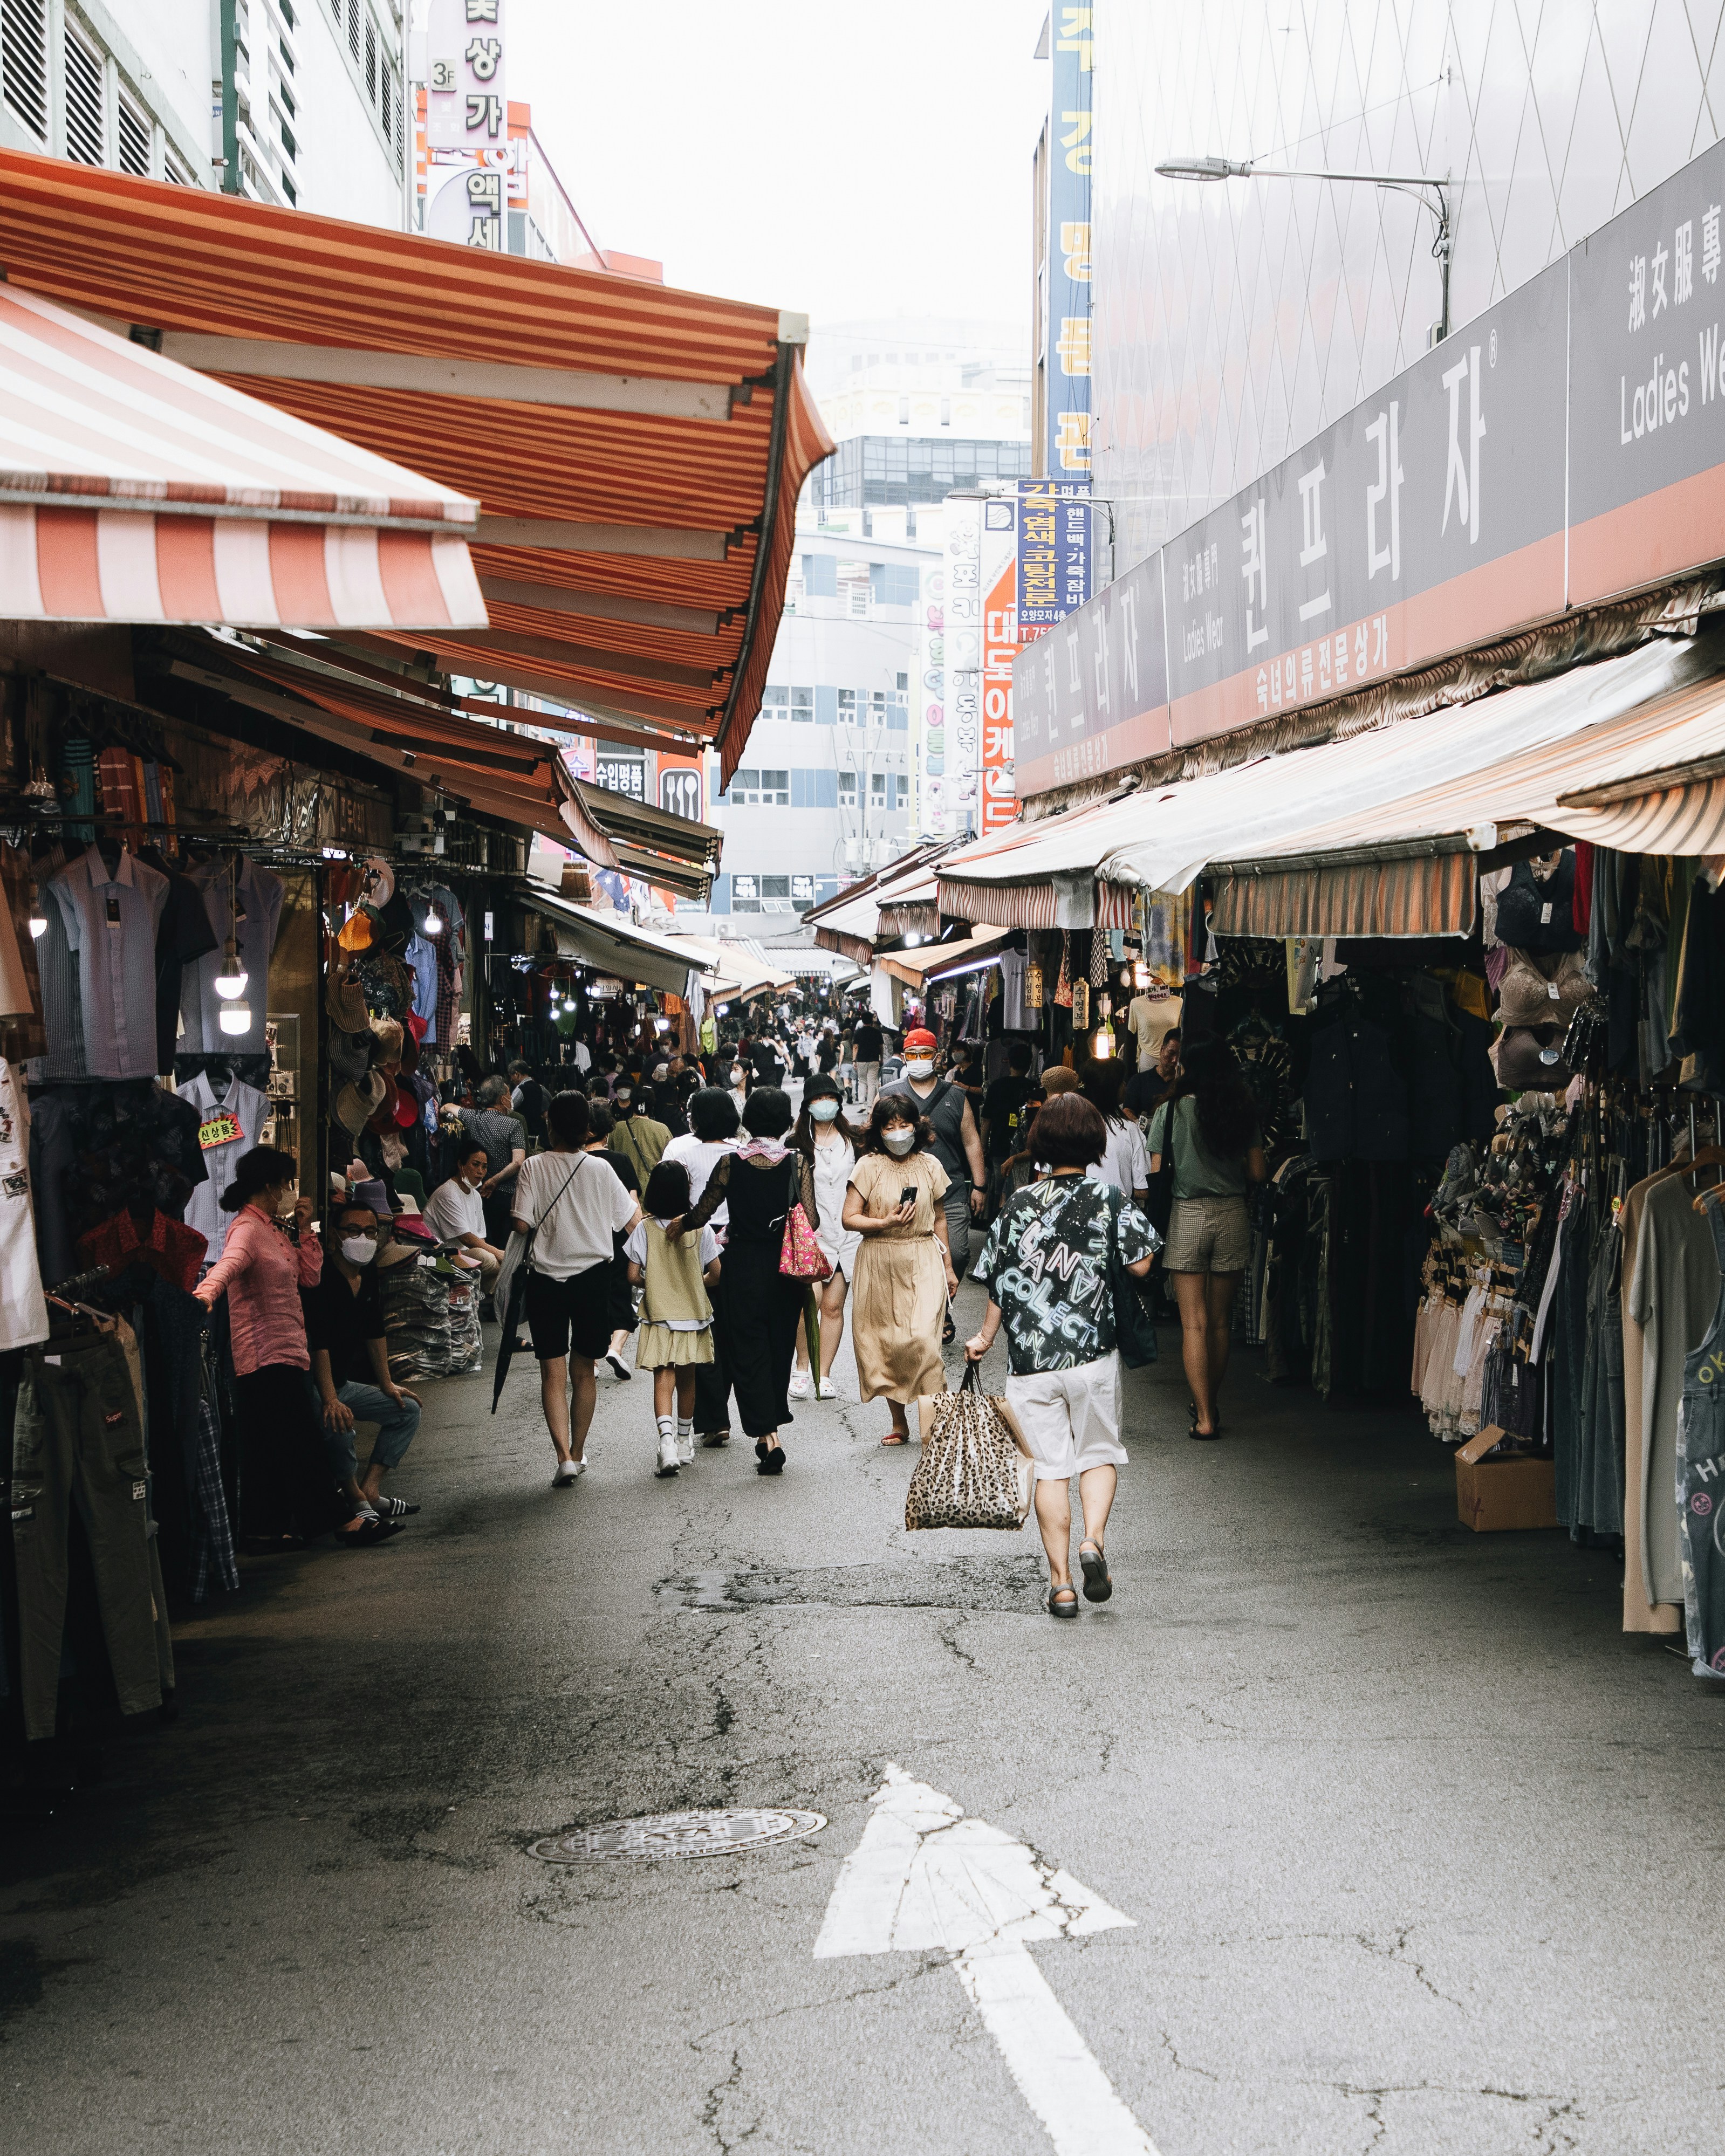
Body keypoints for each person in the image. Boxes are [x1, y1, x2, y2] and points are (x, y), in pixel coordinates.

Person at [966, 1094, 1158, 1618]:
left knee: (1050, 1470)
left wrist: (984, 1338)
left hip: (1031, 1365)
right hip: (1093, 1356)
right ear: (1095, 1142)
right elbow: (1142, 1265)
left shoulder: (1018, 1203)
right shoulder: (1109, 1198)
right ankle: (1093, 1540)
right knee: (1098, 1454)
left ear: (1040, 1143)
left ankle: (1062, 1585)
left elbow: (999, 1282)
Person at [195, 1146, 380, 1546]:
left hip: (285, 1351)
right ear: (270, 1185)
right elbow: (228, 1265)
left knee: (268, 1445)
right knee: (301, 1442)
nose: (287, 1191)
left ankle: (264, 1529)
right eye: (284, 1183)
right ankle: (336, 1521)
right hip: (264, 1353)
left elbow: (310, 1276)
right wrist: (204, 1295)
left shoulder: (274, 1230)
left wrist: (305, 1227)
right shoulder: (248, 1229)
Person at [673, 1087, 816, 1477]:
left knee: (748, 1350)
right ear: (786, 1122)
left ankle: (769, 1435)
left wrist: (675, 1226)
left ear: (747, 1122)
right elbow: (812, 1219)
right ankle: (770, 1433)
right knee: (780, 1346)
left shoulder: (730, 1162)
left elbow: (702, 1213)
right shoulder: (797, 1162)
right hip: (785, 1270)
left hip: (742, 1268)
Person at [511, 1090, 641, 1486]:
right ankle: (579, 1451)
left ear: (550, 1125)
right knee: (584, 1371)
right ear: (587, 1128)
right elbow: (632, 1222)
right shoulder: (602, 1169)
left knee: (552, 1373)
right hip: (592, 1279)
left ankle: (563, 1457)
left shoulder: (533, 1167)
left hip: (546, 1281)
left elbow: (521, 1224)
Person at [1146, 1037, 1267, 1440]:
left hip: (1187, 1216)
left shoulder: (1170, 1111)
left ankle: (1204, 1418)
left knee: (1193, 1324)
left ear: (1187, 1068)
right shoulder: (1242, 1111)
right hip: (1232, 1214)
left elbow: (1157, 1172)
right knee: (1219, 1323)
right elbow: (1257, 1173)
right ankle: (1210, 1402)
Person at [841, 1094, 959, 1444]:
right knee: (889, 1345)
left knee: (923, 1341)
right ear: (878, 1131)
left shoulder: (930, 1165)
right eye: (889, 1126)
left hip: (923, 1256)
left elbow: (940, 1218)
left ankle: (935, 1423)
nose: (897, 1132)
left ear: (916, 1126)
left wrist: (949, 1267)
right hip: (879, 1260)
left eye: (904, 1124)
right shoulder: (868, 1166)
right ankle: (899, 1422)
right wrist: (884, 1222)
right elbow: (849, 1218)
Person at [304, 1196, 423, 1526]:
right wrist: (330, 1399)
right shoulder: (320, 1277)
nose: (363, 1239)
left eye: (370, 1232)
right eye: (353, 1231)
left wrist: (387, 1383)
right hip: (315, 1386)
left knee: (407, 1410)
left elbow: (375, 1330)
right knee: (339, 1423)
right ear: (334, 1235)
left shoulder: (367, 1274)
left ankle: (371, 1490)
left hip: (342, 1383)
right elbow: (319, 1343)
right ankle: (354, 1497)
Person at [881, 1027, 987, 1329]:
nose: (918, 1060)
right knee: (909, 1259)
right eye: (912, 1055)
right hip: (903, 1195)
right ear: (904, 1058)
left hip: (950, 1191)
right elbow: (874, 1142)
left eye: (925, 1053)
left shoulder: (956, 1096)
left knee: (958, 1253)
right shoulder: (888, 1095)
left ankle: (940, 1305)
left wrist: (980, 1185)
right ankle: (928, 1316)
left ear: (937, 1056)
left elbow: (972, 1142)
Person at [625, 1160, 722, 1477]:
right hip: (693, 1315)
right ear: (686, 1191)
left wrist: (653, 1282)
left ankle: (665, 1441)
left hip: (659, 1316)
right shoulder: (701, 1229)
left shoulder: (644, 1229)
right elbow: (716, 1274)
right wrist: (697, 1282)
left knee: (662, 1378)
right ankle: (683, 1440)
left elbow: (632, 1275)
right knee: (687, 1379)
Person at [664, 1087, 743, 1445]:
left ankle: (714, 1420)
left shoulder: (681, 1152)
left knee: (703, 1331)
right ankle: (732, 1415)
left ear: (695, 1118)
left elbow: (671, 1201)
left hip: (695, 1244)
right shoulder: (741, 1152)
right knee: (732, 1333)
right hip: (738, 1247)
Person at [789, 1074, 862, 1400]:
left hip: (848, 1235)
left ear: (839, 1102)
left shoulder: (855, 1140)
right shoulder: (796, 1143)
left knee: (834, 1307)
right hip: (812, 1237)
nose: (824, 1104)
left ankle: (825, 1374)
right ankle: (801, 1368)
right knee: (810, 1303)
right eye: (818, 1099)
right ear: (807, 1104)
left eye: (830, 1098)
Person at [580, 1101, 641, 1381]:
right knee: (621, 1293)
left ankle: (591, 1361)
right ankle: (615, 1348)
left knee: (591, 1298)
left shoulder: (575, 1162)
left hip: (586, 1238)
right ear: (607, 1132)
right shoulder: (620, 1160)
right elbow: (633, 1205)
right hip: (618, 1237)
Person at [422, 1137, 505, 1293]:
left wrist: (499, 1255)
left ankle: (489, 1298)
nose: (481, 1171)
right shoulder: (448, 1192)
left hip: (464, 1253)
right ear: (461, 1165)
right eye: (476, 1164)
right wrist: (499, 1254)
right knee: (487, 1257)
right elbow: (466, 1238)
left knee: (492, 1259)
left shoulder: (476, 1196)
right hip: (439, 1255)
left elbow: (480, 1238)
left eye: (484, 1167)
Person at [458, 1075, 526, 1248]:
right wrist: (495, 1181)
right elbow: (518, 1162)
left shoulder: (472, 1117)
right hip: (507, 1196)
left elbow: (447, 1108)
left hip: (479, 1193)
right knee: (504, 1248)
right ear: (503, 1099)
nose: (511, 1098)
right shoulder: (514, 1125)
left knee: (485, 1244)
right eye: (509, 1094)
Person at [1083, 1058, 1151, 1207]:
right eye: (1121, 1082)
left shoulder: (1073, 1127)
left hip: (1079, 1211)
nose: (1125, 1085)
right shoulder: (1130, 1130)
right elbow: (1143, 1190)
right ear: (1112, 1089)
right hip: (1118, 1213)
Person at [982, 1039, 1038, 1216]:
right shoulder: (1034, 1089)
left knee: (1000, 1189)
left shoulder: (996, 1086)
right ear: (1030, 1064)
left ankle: (998, 1221)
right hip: (1026, 1150)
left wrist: (984, 1147)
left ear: (1009, 1062)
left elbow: (986, 1120)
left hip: (999, 1144)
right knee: (1023, 1189)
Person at [608, 1075, 670, 1184]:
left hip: (625, 1186)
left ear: (632, 1103)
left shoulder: (618, 1128)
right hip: (652, 1186)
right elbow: (669, 1160)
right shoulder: (663, 1129)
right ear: (652, 1105)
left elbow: (611, 1154)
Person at [1124, 1028, 1181, 1121]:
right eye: (1171, 1053)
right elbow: (1127, 1111)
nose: (1175, 1060)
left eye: (1179, 1056)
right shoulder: (1139, 1081)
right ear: (1162, 1050)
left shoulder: (1182, 1085)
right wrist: (1139, 1124)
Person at [509, 1059, 548, 1150]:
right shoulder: (538, 1087)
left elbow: (510, 1108)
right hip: (537, 1131)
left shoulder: (521, 1089)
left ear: (517, 1074)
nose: (511, 1079)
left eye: (511, 1076)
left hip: (524, 1132)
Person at [852, 1017, 884, 1106]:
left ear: (863, 1021)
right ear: (871, 1021)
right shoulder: (877, 1032)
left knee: (862, 1081)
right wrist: (881, 1058)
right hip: (874, 1059)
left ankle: (861, 1103)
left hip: (861, 1060)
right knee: (872, 1083)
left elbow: (856, 1047)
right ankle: (870, 1104)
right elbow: (881, 1047)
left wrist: (854, 1060)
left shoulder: (858, 1032)